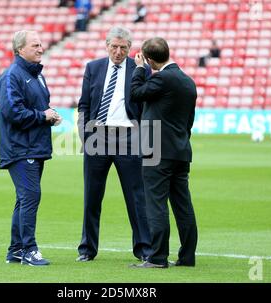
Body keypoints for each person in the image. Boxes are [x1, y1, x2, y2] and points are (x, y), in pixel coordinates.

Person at [76, 26, 153, 262]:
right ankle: (87, 249)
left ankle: (144, 249)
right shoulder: (94, 67)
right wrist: (85, 133)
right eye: (114, 47)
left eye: (123, 47)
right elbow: (84, 104)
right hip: (97, 136)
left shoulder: (140, 69)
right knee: (92, 196)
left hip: (129, 137)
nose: (118, 52)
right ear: (107, 45)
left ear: (130, 48)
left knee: (136, 197)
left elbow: (147, 104)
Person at [0, 30, 62, 267]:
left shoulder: (35, 75)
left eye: (41, 44)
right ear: (20, 49)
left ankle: (15, 250)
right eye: (35, 45)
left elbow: (33, 108)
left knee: (24, 199)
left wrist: (49, 114)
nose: (41, 48)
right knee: (30, 197)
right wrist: (42, 116)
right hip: (21, 149)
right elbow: (12, 112)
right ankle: (29, 250)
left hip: (34, 147)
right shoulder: (12, 76)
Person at [130, 37, 198, 268]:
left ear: (149, 60)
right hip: (180, 150)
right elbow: (189, 121)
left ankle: (158, 257)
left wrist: (139, 69)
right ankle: (187, 256)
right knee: (183, 206)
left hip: (157, 151)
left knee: (156, 204)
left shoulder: (162, 79)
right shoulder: (188, 81)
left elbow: (136, 93)